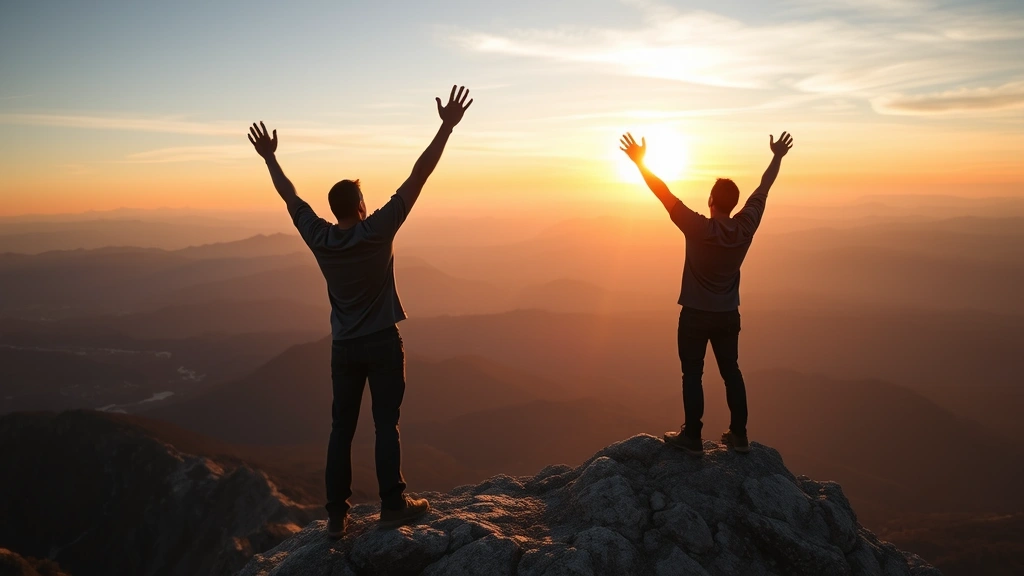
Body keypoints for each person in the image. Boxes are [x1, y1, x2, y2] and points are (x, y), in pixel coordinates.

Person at [247, 85, 473, 537]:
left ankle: (336, 517)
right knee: (385, 424)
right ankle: (392, 505)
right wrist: (445, 127)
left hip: (344, 348)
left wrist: (270, 158)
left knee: (341, 431)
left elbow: (289, 197)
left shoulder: (320, 237)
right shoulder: (378, 230)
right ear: (362, 206)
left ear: (333, 210)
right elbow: (418, 176)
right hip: (383, 342)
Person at [619, 130, 794, 456]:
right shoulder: (745, 227)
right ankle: (739, 436)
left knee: (692, 374)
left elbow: (663, 193)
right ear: (735, 203)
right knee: (732, 372)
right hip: (728, 315)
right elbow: (764, 187)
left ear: (711, 201)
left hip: (695, 314)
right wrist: (777, 156)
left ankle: (693, 437)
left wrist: (639, 163)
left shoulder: (697, 227)